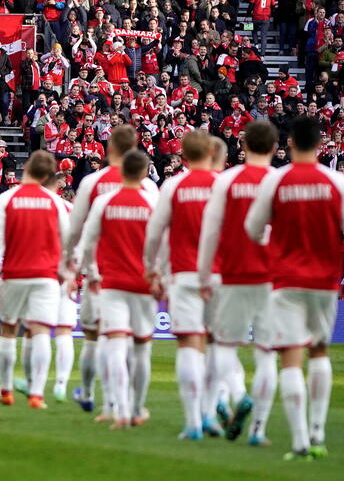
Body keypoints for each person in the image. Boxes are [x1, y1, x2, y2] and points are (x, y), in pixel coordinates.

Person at [245, 116, 344, 461]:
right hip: (325, 281)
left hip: (285, 280)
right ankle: (318, 433)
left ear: (289, 144)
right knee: (319, 351)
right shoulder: (336, 182)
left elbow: (253, 228)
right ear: (321, 144)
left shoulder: (276, 182)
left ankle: (300, 441)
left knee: (290, 357)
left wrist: (276, 240)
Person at [65, 125, 156, 415]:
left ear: (109, 148)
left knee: (98, 337)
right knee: (138, 343)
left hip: (101, 274)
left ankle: (97, 395)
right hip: (142, 274)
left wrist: (71, 267)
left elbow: (75, 230)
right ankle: (135, 405)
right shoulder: (150, 189)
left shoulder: (94, 183)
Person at [198, 120, 279, 447]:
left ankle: (229, 399)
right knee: (266, 354)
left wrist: (204, 275)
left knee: (223, 345)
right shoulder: (279, 181)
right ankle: (258, 430)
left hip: (231, 276)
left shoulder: (227, 181)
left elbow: (211, 231)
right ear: (275, 148)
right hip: (272, 280)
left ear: (242, 146)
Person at [142, 130, 221, 440]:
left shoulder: (174, 185)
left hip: (184, 273)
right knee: (215, 344)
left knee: (189, 345)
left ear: (184, 155)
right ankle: (211, 413)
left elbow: (156, 233)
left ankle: (193, 423)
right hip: (219, 275)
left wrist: (154, 270)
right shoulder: (224, 185)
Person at [0, 151, 70, 409]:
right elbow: (68, 241)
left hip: (14, 273)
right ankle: (36, 393)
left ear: (28, 169)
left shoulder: (8, 199)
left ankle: (7, 389)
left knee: (9, 331)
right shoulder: (54, 202)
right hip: (46, 276)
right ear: (48, 176)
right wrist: (67, 271)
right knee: (41, 331)